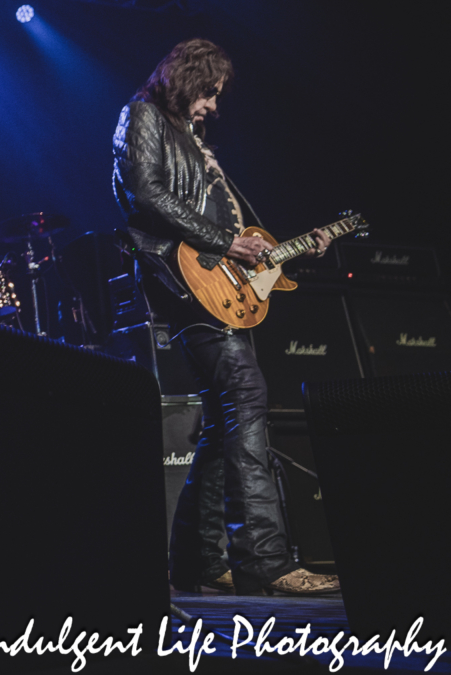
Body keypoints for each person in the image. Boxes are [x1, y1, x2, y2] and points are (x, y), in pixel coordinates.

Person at [113, 38, 336, 597]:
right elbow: (146, 193)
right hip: (179, 277)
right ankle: (266, 560)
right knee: (245, 396)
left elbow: (233, 228)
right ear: (187, 79)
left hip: (215, 283)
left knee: (223, 420)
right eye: (209, 93)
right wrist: (224, 242)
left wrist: (280, 249)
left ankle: (197, 560)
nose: (214, 105)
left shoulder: (194, 139)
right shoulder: (143, 115)